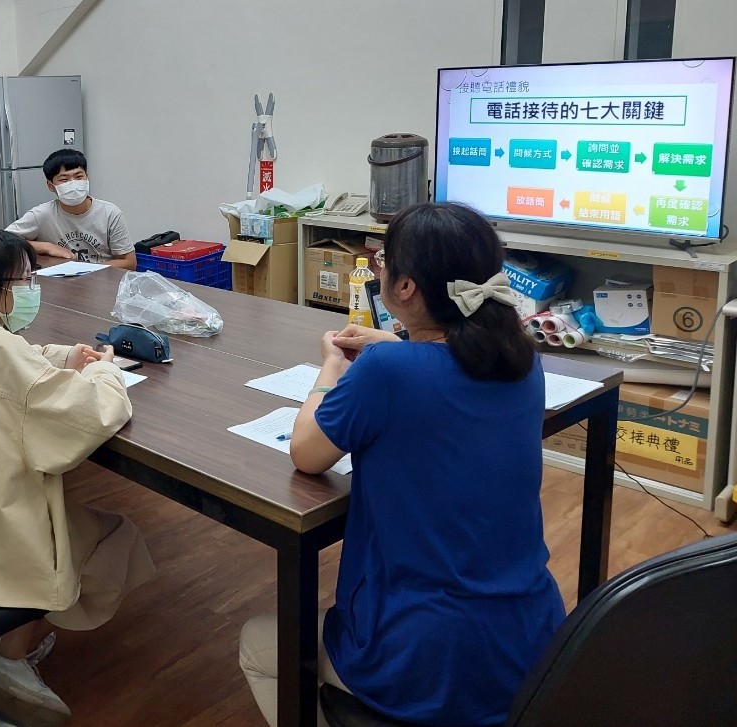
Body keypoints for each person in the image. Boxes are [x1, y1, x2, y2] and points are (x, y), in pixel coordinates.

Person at [238, 203, 564, 727]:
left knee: (258, 645)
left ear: (406, 286)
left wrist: (331, 368)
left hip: (422, 654)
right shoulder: (522, 360)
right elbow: (447, 368)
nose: (379, 268)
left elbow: (307, 453)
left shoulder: (388, 371)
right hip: (529, 642)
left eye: (384, 261)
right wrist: (394, 342)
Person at [0, 227, 154, 722]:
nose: (31, 290)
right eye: (23, 282)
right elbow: (89, 416)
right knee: (114, 537)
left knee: (74, 523)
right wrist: (105, 370)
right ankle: (9, 660)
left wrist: (61, 359)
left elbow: (2, 364)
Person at [6, 148, 136, 269]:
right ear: (51, 186)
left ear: (87, 177)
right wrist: (46, 247)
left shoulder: (110, 213)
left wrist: (87, 270)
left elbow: (129, 262)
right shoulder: (42, 214)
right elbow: (3, 241)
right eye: (64, 179)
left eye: (79, 177)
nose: (73, 183)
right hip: (60, 281)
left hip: (102, 279)